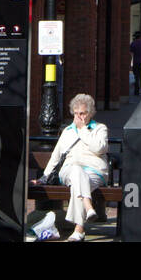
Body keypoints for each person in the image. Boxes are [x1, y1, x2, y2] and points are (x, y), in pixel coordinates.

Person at [32, 94, 109, 241]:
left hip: (94, 171)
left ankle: (79, 229)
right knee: (75, 170)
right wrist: (43, 178)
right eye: (76, 113)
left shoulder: (100, 128)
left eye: (83, 113)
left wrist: (83, 130)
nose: (79, 117)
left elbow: (99, 148)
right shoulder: (67, 131)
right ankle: (87, 208)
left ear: (90, 113)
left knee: (77, 183)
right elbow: (55, 157)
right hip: (69, 170)